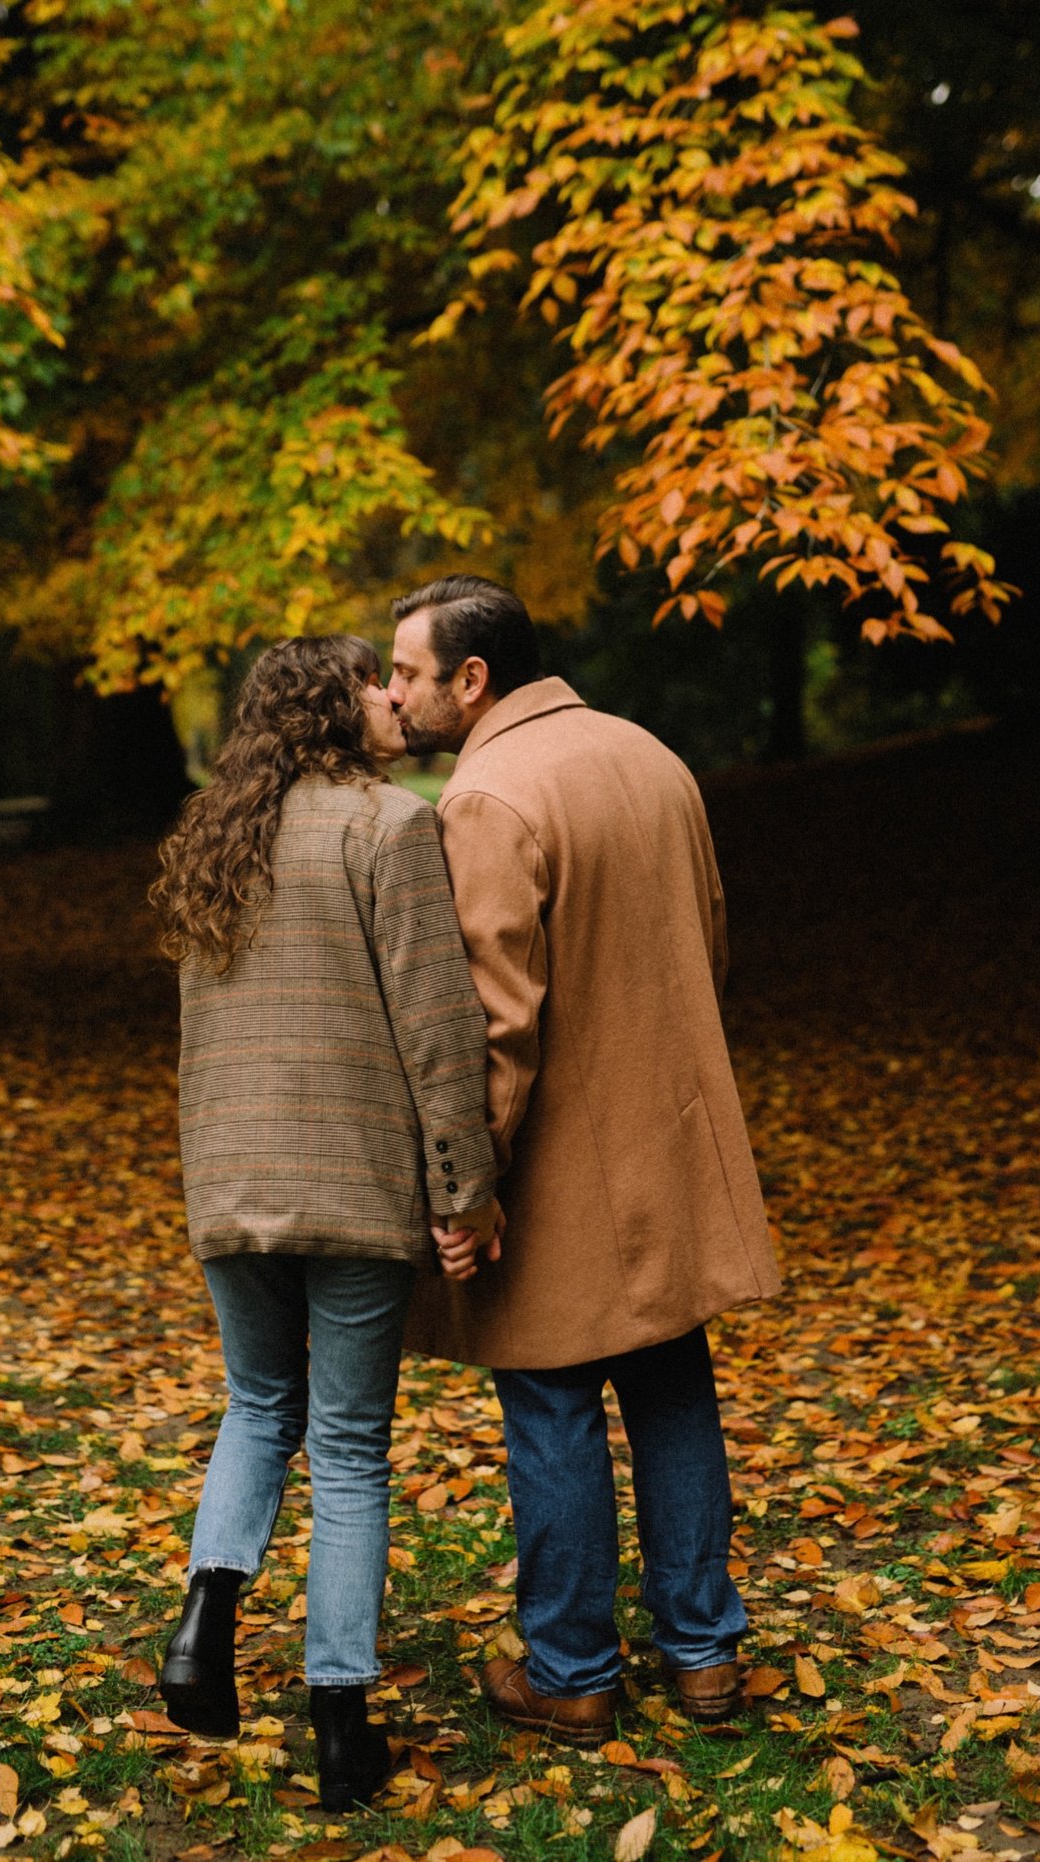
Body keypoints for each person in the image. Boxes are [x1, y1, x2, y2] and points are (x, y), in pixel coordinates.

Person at [387, 574, 780, 1745]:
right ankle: (705, 1653)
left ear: (472, 677)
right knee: (669, 1386)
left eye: (407, 670)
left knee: (551, 1401)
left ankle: (572, 1667)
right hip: (667, 1131)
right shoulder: (649, 754)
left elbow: (493, 1022)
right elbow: (707, 939)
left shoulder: (487, 797)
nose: (394, 690)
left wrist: (468, 1180)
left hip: (558, 1159)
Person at [149, 634, 501, 1811]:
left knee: (258, 1405)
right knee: (348, 1448)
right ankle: (342, 1727)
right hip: (354, 1184)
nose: (397, 697)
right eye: (377, 680)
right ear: (334, 704)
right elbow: (439, 1031)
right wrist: (464, 1187)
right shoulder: (392, 826)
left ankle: (203, 1622)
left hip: (233, 1182)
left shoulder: (218, 833)